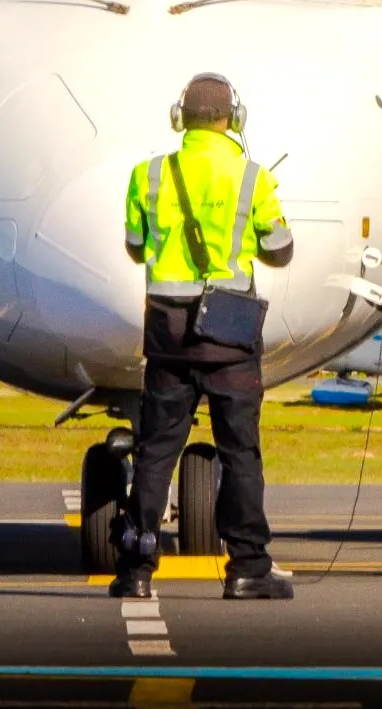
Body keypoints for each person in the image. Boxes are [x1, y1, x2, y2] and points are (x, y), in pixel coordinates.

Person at [114, 73, 295, 601]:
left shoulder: (147, 176)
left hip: (169, 338)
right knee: (241, 454)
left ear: (180, 118)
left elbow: (133, 245)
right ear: (232, 119)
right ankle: (247, 569)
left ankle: (136, 569)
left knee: (155, 453)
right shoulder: (251, 177)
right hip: (230, 340)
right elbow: (280, 248)